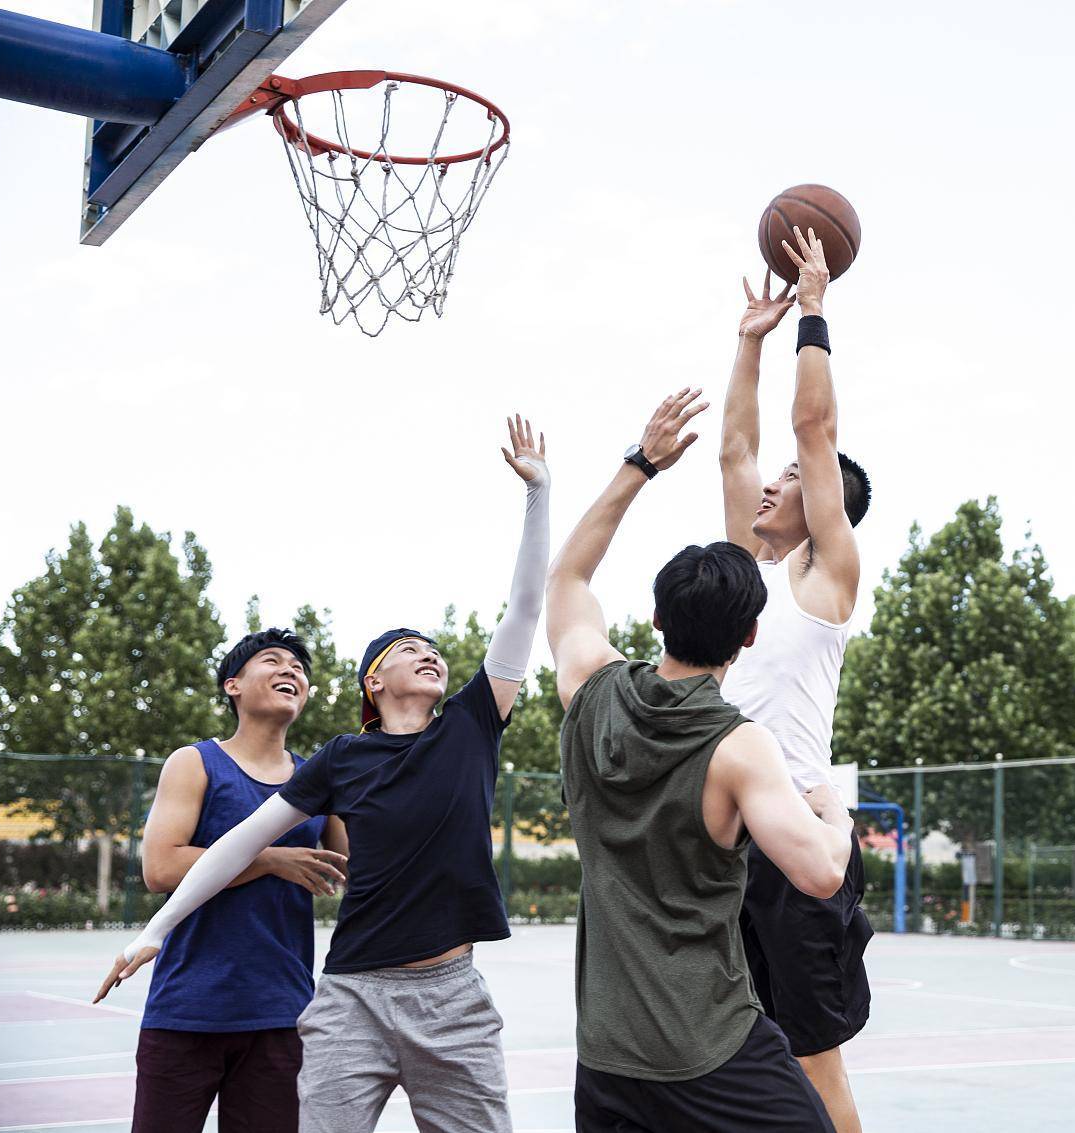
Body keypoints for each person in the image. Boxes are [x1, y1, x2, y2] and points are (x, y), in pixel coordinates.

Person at [96, 415, 552, 1133]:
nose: (430, 653)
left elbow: (527, 604)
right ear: (374, 681)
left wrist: (539, 493)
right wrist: (156, 927)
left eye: (435, 649)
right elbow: (240, 842)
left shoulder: (470, 726)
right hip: (351, 994)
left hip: (452, 993)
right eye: (409, 648)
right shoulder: (341, 758)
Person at [547, 387, 853, 1132]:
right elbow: (820, 871)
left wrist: (640, 465)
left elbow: (568, 580)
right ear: (748, 638)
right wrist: (836, 811)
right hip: (707, 1041)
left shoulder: (590, 691)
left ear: (656, 617)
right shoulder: (739, 744)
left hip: (607, 1050)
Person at [718, 227, 874, 1131]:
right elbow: (737, 454)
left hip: (796, 844)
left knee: (815, 1062)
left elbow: (811, 430)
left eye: (793, 481)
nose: (771, 484)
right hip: (720, 843)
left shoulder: (823, 583)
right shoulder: (746, 577)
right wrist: (749, 340)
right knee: (726, 1053)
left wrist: (813, 313)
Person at [132, 628, 349, 1133]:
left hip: (282, 1012)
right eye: (273, 661)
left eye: (299, 669)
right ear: (233, 685)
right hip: (188, 1009)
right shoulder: (195, 762)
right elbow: (160, 868)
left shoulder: (320, 779)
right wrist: (269, 859)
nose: (290, 670)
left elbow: (355, 866)